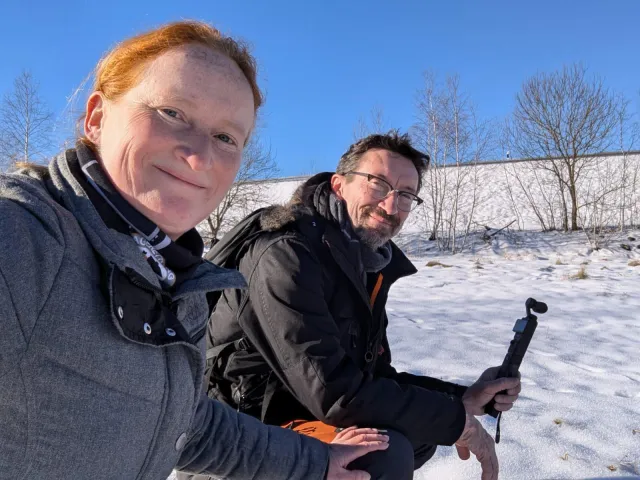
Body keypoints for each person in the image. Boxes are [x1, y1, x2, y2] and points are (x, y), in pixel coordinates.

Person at [0, 21, 389, 480]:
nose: (200, 156)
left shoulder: (174, 275)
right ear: (97, 118)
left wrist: (314, 461)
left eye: (226, 137)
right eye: (172, 112)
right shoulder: (27, 235)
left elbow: (182, 423)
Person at [202, 131, 522, 479]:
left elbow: (372, 377)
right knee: (383, 452)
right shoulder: (285, 254)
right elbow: (334, 391)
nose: (390, 206)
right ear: (339, 186)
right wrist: (459, 424)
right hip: (235, 429)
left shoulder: (365, 263)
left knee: (415, 435)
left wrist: (461, 398)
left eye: (405, 195)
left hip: (297, 410)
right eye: (378, 184)